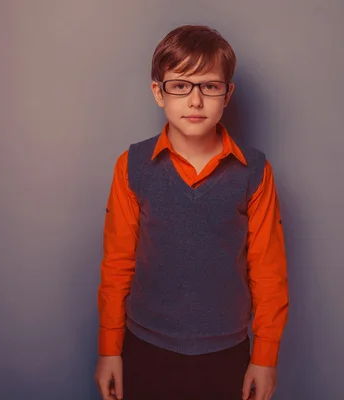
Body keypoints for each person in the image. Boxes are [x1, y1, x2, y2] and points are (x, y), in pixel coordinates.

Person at [94, 24, 289, 400]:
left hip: (226, 351)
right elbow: (117, 263)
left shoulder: (254, 171)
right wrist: (108, 349)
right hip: (144, 345)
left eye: (209, 86)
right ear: (158, 93)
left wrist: (265, 357)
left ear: (227, 94)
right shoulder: (131, 165)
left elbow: (268, 270)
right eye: (180, 85)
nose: (195, 101)